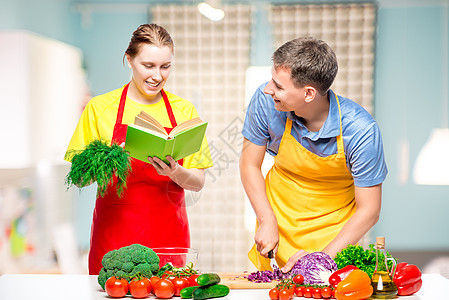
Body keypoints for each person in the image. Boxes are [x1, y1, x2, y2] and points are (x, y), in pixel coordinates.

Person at [65, 24, 213, 275]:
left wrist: (175, 171)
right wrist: (109, 159)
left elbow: (198, 182)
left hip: (168, 239)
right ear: (129, 60)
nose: (157, 76)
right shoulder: (100, 108)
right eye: (149, 66)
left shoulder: (184, 110)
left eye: (165, 67)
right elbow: (78, 179)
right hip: (114, 236)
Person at [240, 37, 387, 272]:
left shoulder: (360, 131)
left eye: (279, 86)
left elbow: (369, 210)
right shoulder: (266, 101)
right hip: (277, 220)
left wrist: (319, 261)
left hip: (335, 234)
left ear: (309, 93)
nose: (269, 89)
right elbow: (249, 164)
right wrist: (267, 220)